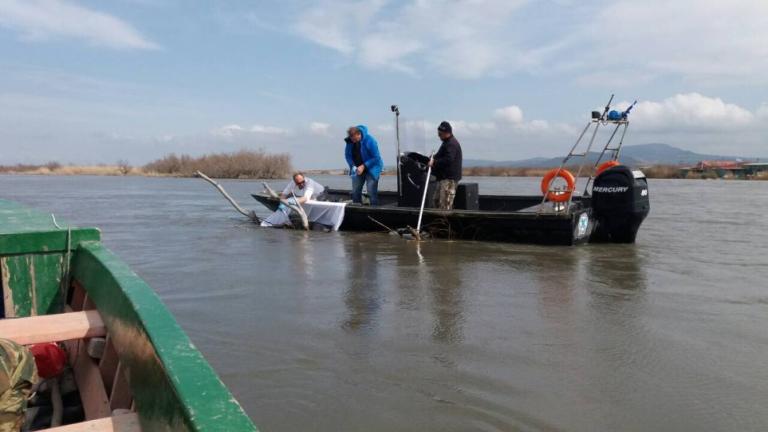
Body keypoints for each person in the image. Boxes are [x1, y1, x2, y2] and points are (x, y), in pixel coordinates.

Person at [345, 125, 384, 205]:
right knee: (355, 190)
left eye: (355, 139)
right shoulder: (350, 141)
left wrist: (363, 166)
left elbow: (376, 157)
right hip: (357, 169)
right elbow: (348, 156)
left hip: (372, 168)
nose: (354, 141)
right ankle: (357, 208)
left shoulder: (370, 140)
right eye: (352, 139)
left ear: (359, 134)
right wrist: (352, 165)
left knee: (371, 191)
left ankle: (374, 208)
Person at [429, 121, 463, 210]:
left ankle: (445, 218)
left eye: (440, 134)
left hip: (449, 179)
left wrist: (434, 162)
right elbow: (439, 155)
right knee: (436, 201)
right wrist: (431, 158)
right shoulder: (445, 143)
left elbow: (449, 159)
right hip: (443, 178)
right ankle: (437, 217)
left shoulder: (451, 144)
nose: (438, 136)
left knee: (445, 205)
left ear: (446, 133)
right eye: (438, 134)